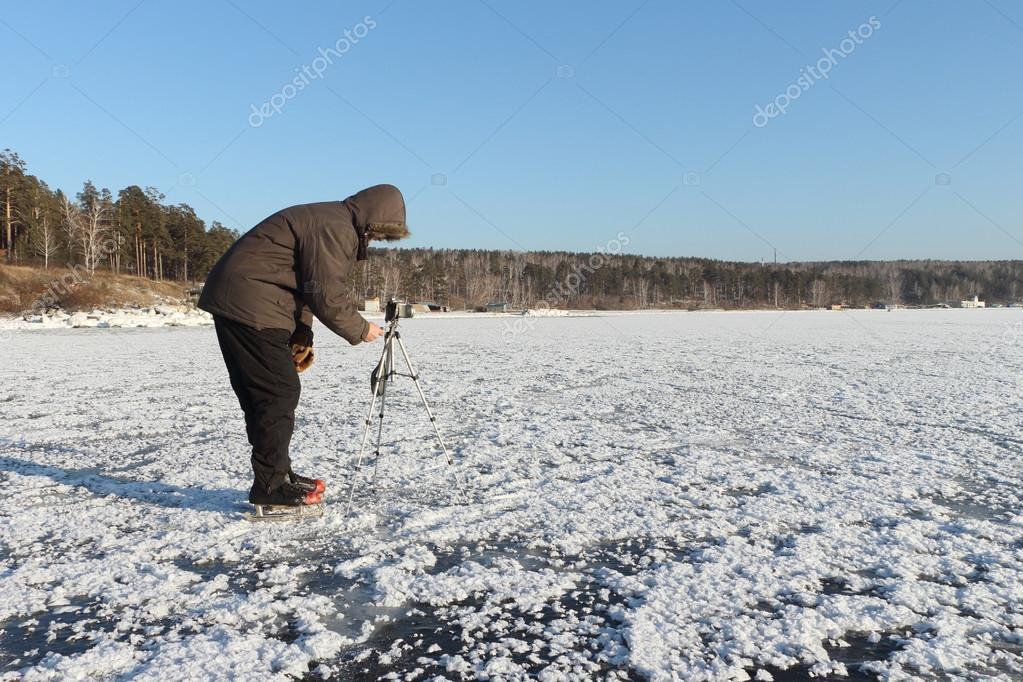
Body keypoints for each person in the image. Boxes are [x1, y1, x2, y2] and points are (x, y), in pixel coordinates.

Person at [198, 184, 409, 509]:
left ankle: (277, 475)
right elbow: (326, 291)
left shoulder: (331, 220)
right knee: (277, 392)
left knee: (268, 393)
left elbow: (306, 284)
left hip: (251, 300)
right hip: (249, 302)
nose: (378, 240)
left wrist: (302, 333)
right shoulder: (335, 228)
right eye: (380, 233)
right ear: (372, 220)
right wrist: (361, 329)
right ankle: (270, 485)